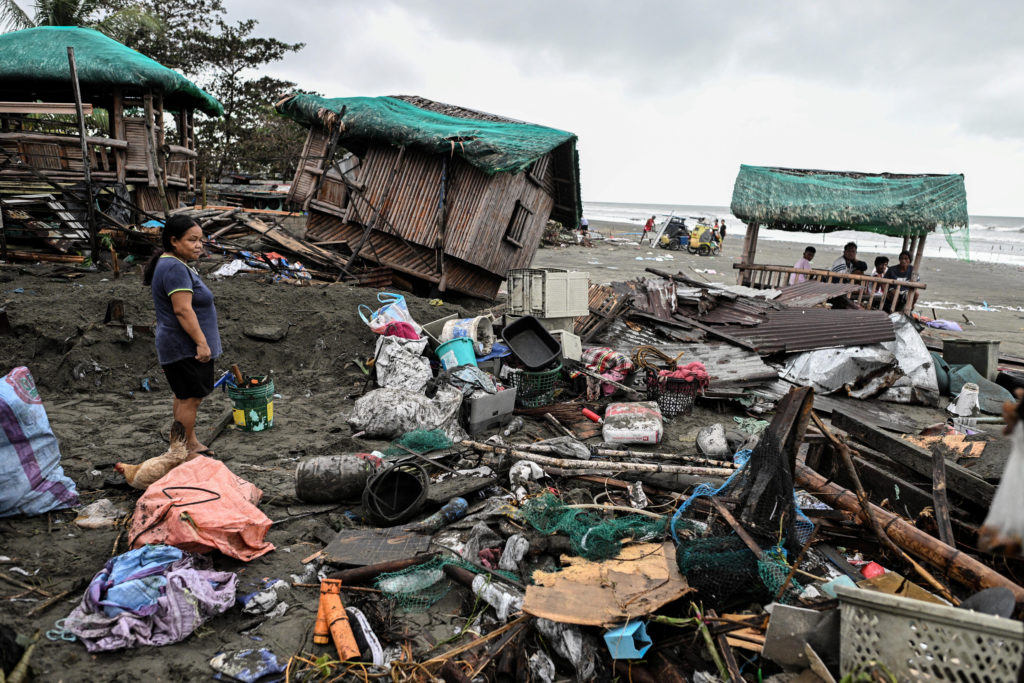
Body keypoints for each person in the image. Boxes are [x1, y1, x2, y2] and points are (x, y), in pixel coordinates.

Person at [143, 215, 222, 456]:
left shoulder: (172, 264)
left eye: (201, 240)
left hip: (178, 346)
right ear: (174, 241)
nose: (199, 245)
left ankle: (185, 443)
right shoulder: (174, 268)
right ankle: (186, 447)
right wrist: (201, 343)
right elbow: (182, 309)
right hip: (184, 346)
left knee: (184, 395)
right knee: (190, 398)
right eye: (192, 240)